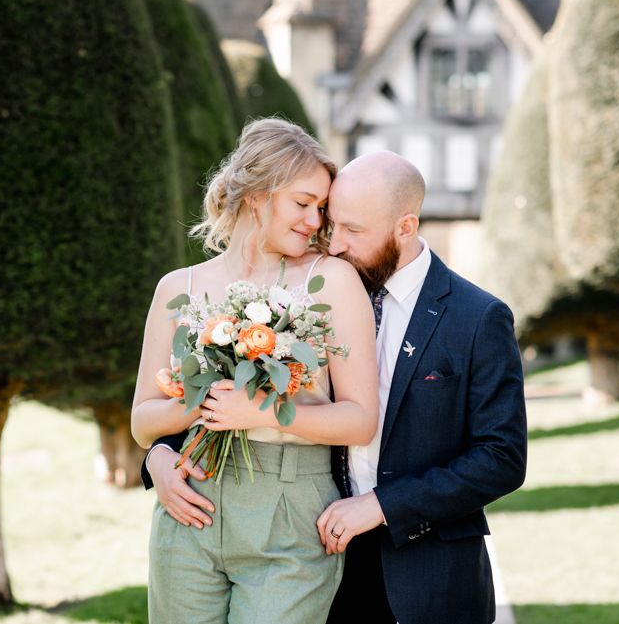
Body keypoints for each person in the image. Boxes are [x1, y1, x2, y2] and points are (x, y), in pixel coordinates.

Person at [142, 151, 528, 624]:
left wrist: (382, 506)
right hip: (319, 541)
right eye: (331, 224)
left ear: (404, 228)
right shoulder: (310, 290)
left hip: (426, 567)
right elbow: (213, 397)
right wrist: (159, 453)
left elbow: (501, 458)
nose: (334, 243)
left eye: (353, 231)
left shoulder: (476, 317)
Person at [130, 118, 380, 624]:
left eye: (322, 209)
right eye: (303, 203)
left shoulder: (330, 279)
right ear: (258, 194)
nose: (315, 222)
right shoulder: (178, 287)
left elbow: (359, 419)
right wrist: (193, 408)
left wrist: (260, 407)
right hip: (189, 507)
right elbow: (141, 422)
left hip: (290, 515)